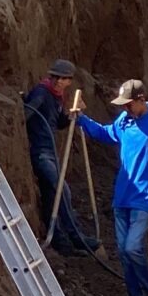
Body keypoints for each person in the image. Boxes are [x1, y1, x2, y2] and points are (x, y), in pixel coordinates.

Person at [75, 80, 148, 296]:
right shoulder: (124, 122)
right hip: (122, 197)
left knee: (133, 247)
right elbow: (105, 133)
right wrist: (82, 119)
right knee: (124, 253)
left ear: (141, 100)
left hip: (145, 199)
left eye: (129, 104)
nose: (125, 109)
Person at [23, 59, 101, 256]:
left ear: (69, 81)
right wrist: (23, 103)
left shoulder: (57, 97)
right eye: (57, 78)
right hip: (40, 153)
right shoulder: (41, 93)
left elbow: (57, 124)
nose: (60, 82)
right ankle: (77, 238)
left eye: (64, 79)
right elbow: (25, 114)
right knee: (62, 190)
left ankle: (60, 242)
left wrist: (71, 116)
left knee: (52, 196)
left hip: (50, 153)